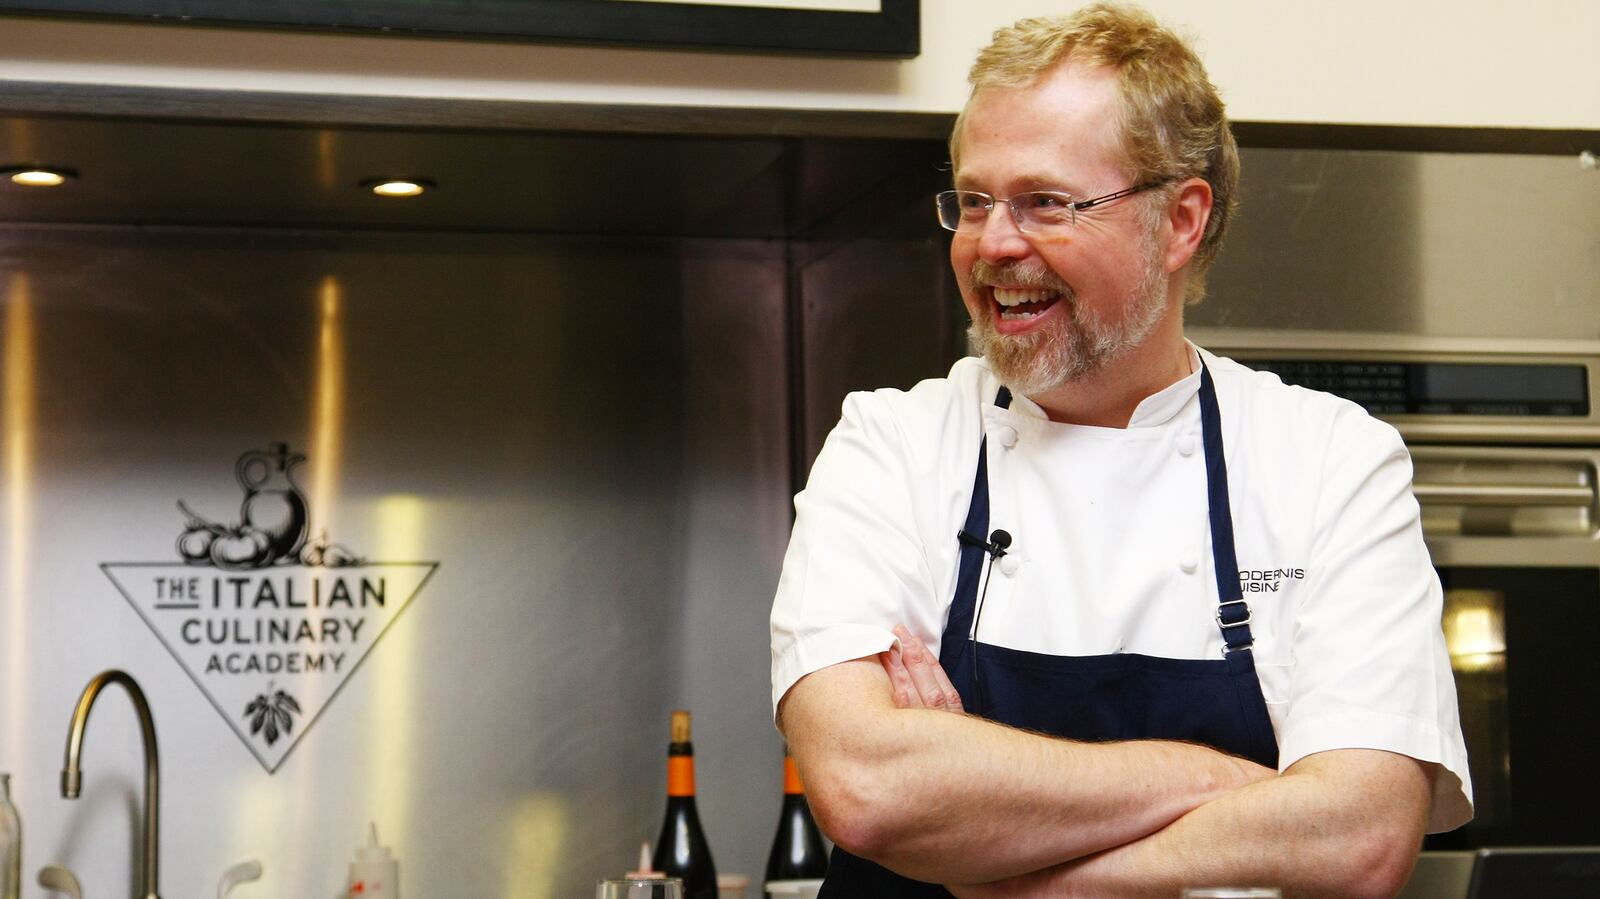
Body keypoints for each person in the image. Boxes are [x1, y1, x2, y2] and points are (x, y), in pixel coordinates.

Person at [769, 4, 1472, 897]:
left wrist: (999, 849)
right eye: (974, 200)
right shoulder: (890, 445)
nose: (993, 244)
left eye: (1045, 202)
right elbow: (869, 789)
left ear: (1179, 222)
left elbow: (1360, 834)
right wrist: (1226, 783)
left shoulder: (1331, 460)